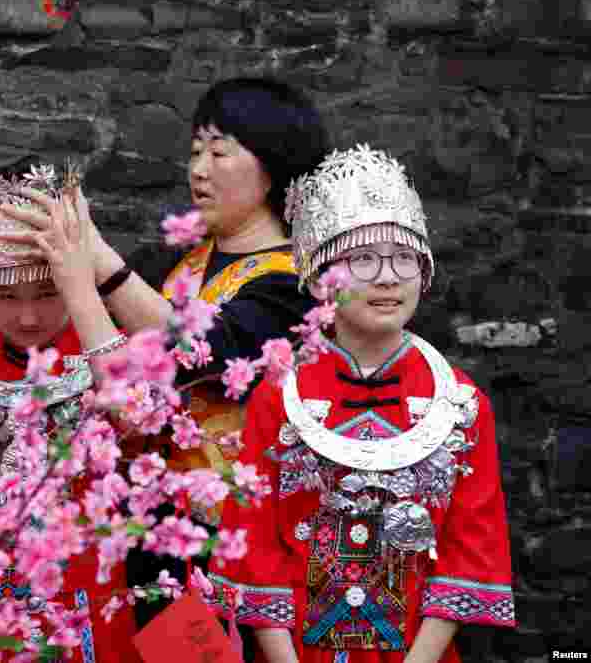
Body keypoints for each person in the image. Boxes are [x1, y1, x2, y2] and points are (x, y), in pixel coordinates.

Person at [1, 77, 331, 631]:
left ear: (273, 163)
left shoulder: (298, 284)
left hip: (239, 543)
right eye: (195, 151)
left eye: (220, 151)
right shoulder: (171, 266)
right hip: (152, 530)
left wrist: (96, 261)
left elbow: (210, 352)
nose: (199, 169)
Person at [205, 145, 516, 663]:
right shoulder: (277, 398)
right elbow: (254, 546)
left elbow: (470, 548)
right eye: (363, 259)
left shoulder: (461, 403)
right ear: (321, 275)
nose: (388, 277)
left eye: (404, 258)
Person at [0, 167, 139, 663]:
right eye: (6, 296)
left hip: (83, 596)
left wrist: (82, 290)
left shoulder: (99, 348)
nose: (27, 318)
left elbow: (136, 415)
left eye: (47, 293)